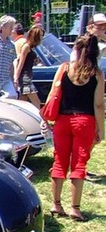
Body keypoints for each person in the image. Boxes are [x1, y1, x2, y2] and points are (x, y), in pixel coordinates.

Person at [49, 34, 104, 221]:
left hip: (62, 120)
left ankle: (56, 204)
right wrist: (101, 129)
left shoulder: (64, 68)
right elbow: (98, 105)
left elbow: (52, 94)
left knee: (59, 161)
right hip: (84, 121)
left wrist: (48, 118)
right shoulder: (96, 74)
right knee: (79, 164)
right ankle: (75, 208)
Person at [15, 26, 44, 108]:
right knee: (37, 103)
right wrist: (16, 78)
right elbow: (20, 63)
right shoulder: (26, 47)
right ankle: (41, 120)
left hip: (27, 77)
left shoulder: (31, 47)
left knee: (22, 104)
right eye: (40, 36)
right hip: (25, 79)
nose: (41, 38)